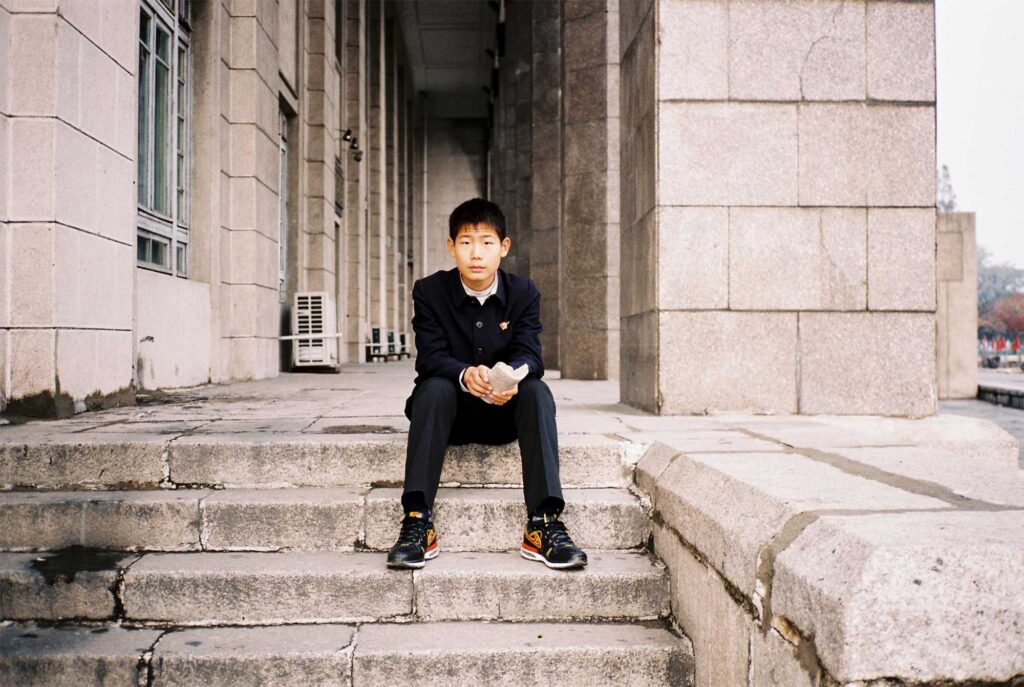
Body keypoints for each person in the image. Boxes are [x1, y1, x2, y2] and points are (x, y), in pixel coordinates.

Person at [386, 198, 587, 571]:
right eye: (466, 242)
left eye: (487, 242)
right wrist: (465, 375)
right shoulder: (429, 292)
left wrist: (509, 378)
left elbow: (532, 355)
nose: (476, 253)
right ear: (451, 247)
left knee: (537, 390)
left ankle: (544, 524)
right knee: (433, 386)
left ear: (503, 248)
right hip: (450, 418)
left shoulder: (524, 292)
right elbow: (430, 356)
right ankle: (416, 520)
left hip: (504, 415)